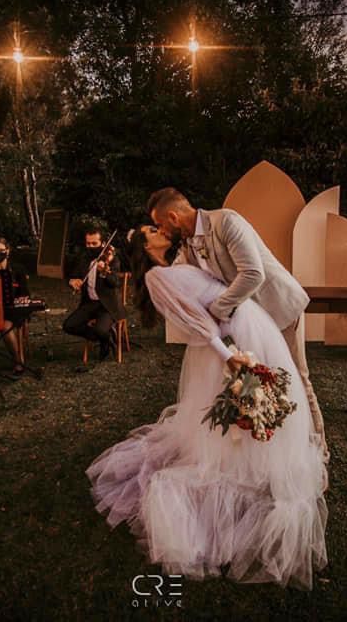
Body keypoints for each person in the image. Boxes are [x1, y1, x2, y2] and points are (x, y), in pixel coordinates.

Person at [86, 225, 329, 589]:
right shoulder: (156, 278)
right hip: (227, 346)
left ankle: (259, 464)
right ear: (146, 245)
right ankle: (235, 474)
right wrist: (228, 356)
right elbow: (194, 320)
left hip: (249, 328)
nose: (161, 230)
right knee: (238, 412)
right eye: (153, 229)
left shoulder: (178, 262)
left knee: (263, 401)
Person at [147, 187, 328, 458]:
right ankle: (274, 451)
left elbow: (253, 274)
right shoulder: (188, 244)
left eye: (160, 224)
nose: (161, 231)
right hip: (249, 322)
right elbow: (178, 276)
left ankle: (318, 449)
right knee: (261, 381)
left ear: (173, 217)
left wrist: (217, 309)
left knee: (297, 379)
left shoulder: (226, 222)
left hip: (277, 308)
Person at [62, 227, 126, 362]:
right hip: (89, 303)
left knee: (100, 329)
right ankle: (106, 339)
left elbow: (115, 283)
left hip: (108, 305)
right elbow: (72, 276)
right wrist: (72, 281)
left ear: (103, 243)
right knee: (69, 326)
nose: (90, 247)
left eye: (94, 243)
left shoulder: (112, 259)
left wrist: (105, 271)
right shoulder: (83, 259)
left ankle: (104, 340)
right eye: (88, 243)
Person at [0, 235, 30, 377]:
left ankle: (17, 362)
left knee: (5, 326)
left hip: (13, 311)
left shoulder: (18, 269)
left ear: (8, 251)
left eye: (1, 250)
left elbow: (25, 293)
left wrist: (21, 299)